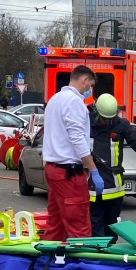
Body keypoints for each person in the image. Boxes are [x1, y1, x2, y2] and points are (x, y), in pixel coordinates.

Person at [41, 66, 104, 241]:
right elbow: (77, 139)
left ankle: (49, 263)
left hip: (54, 169)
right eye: (89, 85)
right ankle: (82, 266)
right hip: (68, 172)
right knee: (79, 226)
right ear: (83, 80)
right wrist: (93, 169)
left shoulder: (55, 99)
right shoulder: (74, 102)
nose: (89, 90)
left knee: (56, 223)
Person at [89, 94, 136, 238]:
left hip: (114, 187)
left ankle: (109, 255)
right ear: (96, 112)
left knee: (112, 229)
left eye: (109, 119)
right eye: (104, 118)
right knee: (94, 229)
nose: (106, 122)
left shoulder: (121, 125)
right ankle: (97, 257)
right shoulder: (85, 124)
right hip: (91, 188)